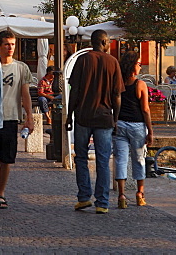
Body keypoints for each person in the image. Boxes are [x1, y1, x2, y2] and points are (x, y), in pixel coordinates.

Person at [66, 29, 124, 214]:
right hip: (105, 118)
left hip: (83, 116)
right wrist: (115, 118)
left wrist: (69, 116)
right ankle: (102, 202)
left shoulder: (82, 60)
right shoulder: (113, 62)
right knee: (103, 160)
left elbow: (73, 91)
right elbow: (117, 96)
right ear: (105, 42)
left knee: (81, 158)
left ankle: (84, 197)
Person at [0, 30, 34, 213]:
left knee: (6, 159)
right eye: (6, 44)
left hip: (11, 117)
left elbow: (25, 94)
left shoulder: (21, 68)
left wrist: (29, 117)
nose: (10, 48)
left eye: (12, 44)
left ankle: (1, 192)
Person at [113, 51, 154, 210]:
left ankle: (122, 195)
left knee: (120, 159)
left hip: (120, 124)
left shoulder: (118, 83)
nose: (140, 67)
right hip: (137, 125)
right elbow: (145, 109)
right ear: (132, 66)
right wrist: (150, 131)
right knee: (139, 159)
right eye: (138, 64)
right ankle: (139, 193)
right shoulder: (140, 84)